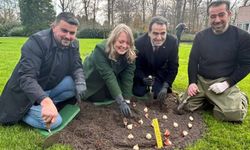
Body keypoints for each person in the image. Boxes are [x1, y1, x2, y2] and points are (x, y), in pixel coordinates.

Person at [0, 12, 86, 129]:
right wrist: (45, 101)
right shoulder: (37, 42)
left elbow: (77, 66)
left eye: (72, 33)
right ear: (54, 27)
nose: (68, 36)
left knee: (73, 84)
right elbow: (26, 78)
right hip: (24, 96)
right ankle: (24, 113)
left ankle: (45, 106)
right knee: (55, 122)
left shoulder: (73, 44)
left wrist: (80, 82)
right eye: (64, 31)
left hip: (46, 88)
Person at [178, 0, 250, 122]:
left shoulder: (243, 37)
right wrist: (192, 82)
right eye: (213, 16)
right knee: (185, 106)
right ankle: (209, 99)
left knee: (232, 115)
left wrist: (227, 83)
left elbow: (246, 65)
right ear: (209, 17)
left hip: (222, 81)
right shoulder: (201, 36)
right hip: (201, 80)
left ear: (229, 14)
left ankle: (240, 98)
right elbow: (193, 60)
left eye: (221, 15)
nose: (217, 20)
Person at [83, 24, 136, 117]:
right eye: (121, 41)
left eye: (128, 43)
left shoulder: (130, 54)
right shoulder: (100, 50)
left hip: (111, 78)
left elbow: (128, 77)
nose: (124, 46)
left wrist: (126, 101)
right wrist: (121, 102)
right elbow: (108, 75)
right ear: (113, 39)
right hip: (93, 79)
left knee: (117, 94)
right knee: (98, 98)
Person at [132, 16, 179, 106]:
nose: (159, 37)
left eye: (162, 33)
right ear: (149, 32)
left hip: (159, 74)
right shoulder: (139, 43)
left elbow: (173, 67)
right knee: (138, 92)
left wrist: (166, 86)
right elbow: (136, 66)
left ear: (166, 32)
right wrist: (142, 78)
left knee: (158, 94)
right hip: (144, 74)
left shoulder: (172, 42)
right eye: (155, 33)